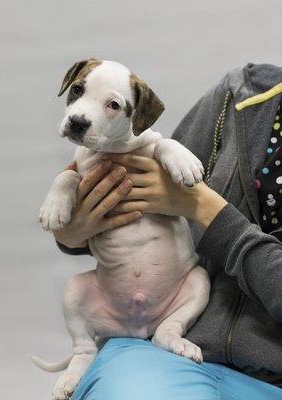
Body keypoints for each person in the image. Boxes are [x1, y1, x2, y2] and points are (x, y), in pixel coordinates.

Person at [52, 63, 282, 399]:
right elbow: (152, 192)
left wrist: (205, 208)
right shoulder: (244, 93)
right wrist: (74, 232)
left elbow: (189, 201)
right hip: (173, 349)